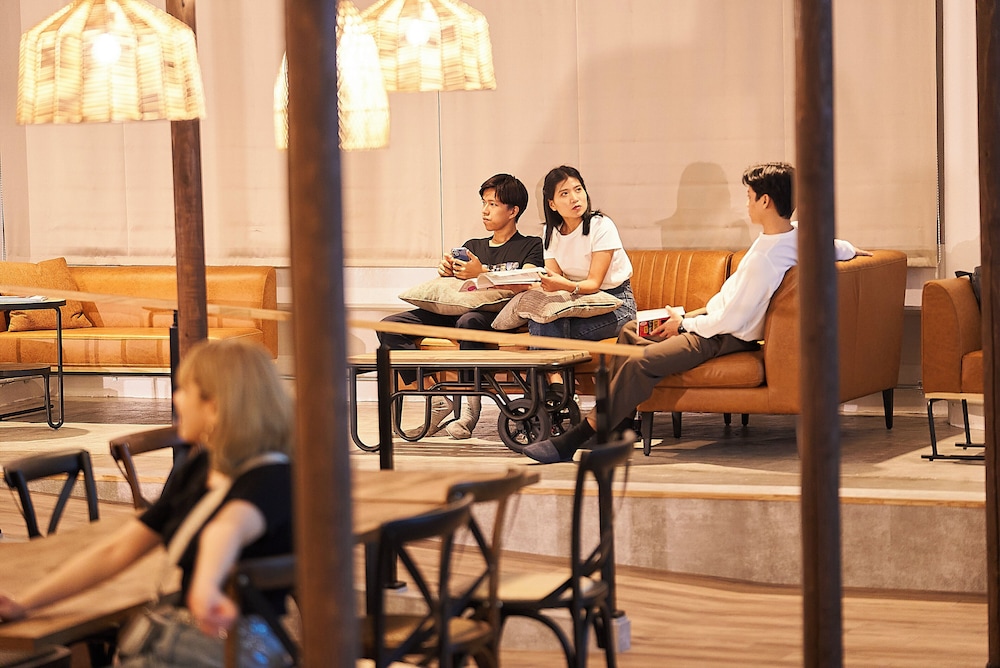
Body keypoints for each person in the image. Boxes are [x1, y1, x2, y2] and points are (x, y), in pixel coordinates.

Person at [523, 161, 870, 464]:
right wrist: (854, 251)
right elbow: (835, 246)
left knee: (642, 362)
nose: (746, 203)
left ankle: (574, 439)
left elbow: (733, 319)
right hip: (712, 321)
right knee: (630, 331)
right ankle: (619, 426)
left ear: (765, 201)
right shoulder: (795, 235)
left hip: (720, 335)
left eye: (750, 196)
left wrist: (684, 324)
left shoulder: (766, 257)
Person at [0, 339, 294, 666]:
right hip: (186, 641)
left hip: (227, 649)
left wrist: (206, 586)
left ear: (213, 406)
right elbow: (117, 550)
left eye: (184, 390)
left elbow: (227, 528)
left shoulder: (274, 478)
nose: (175, 399)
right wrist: (24, 603)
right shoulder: (202, 467)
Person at [379, 173, 544, 440]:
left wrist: (483, 272)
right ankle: (436, 398)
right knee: (390, 326)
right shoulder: (472, 246)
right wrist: (448, 272)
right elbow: (458, 289)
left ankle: (470, 410)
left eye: (493, 204)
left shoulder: (530, 245)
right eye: (484, 203)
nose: (485, 210)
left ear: (513, 211)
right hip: (457, 311)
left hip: (496, 317)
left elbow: (528, 282)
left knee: (470, 321)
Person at [529, 165, 637, 400]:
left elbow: (594, 284)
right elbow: (554, 280)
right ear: (552, 204)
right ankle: (556, 391)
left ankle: (551, 394)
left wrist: (562, 284)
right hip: (577, 304)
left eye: (578, 189)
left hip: (617, 304)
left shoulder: (601, 225)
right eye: (564, 193)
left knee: (549, 334)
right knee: (542, 320)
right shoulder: (550, 232)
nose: (574, 198)